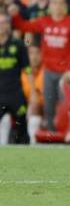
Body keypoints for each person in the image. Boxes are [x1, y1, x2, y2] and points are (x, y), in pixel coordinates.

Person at [10, 0, 70, 131]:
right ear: (49, 5)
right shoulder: (44, 21)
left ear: (65, 5)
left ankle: (66, 135)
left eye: (61, 2)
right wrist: (15, 15)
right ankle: (51, 135)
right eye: (54, 2)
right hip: (48, 71)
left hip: (65, 73)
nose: (57, 6)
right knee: (48, 106)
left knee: (65, 106)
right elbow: (24, 27)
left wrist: (69, 70)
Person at [0, 13, 29, 144]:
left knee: (21, 125)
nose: (2, 26)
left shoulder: (18, 44)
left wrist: (33, 94)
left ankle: (26, 154)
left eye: (4, 23)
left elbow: (28, 71)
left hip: (15, 94)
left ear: (9, 26)